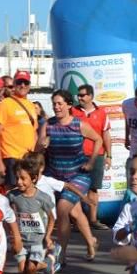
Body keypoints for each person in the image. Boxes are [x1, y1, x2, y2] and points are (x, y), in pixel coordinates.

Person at [39, 90, 103, 263]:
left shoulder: (78, 124)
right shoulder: (48, 124)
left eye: (60, 104)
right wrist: (42, 144)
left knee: (62, 208)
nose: (56, 107)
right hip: (56, 174)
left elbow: (98, 140)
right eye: (54, 104)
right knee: (75, 212)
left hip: (77, 175)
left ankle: (61, 254)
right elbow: (37, 148)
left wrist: (91, 162)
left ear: (68, 105)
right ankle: (91, 241)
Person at [7, 158, 56, 274]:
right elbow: (8, 215)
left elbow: (52, 218)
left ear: (33, 178)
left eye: (23, 178)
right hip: (22, 239)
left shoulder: (42, 198)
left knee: (31, 268)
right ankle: (47, 263)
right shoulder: (13, 196)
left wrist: (47, 237)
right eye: (17, 178)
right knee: (23, 270)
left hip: (37, 240)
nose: (19, 182)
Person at [72, 83, 113, 230]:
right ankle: (78, 220)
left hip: (97, 155)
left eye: (83, 95)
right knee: (76, 188)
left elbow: (106, 135)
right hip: (77, 155)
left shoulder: (101, 113)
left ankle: (93, 220)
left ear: (90, 96)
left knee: (94, 188)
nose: (80, 97)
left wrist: (109, 155)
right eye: (79, 95)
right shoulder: (73, 111)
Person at [0, 70, 38, 187]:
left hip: (28, 159)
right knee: (13, 196)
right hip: (11, 157)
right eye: (19, 82)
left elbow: (34, 132)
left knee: (26, 196)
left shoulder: (31, 106)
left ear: (29, 85)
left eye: (25, 83)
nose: (22, 85)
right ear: (14, 84)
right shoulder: (5, 104)